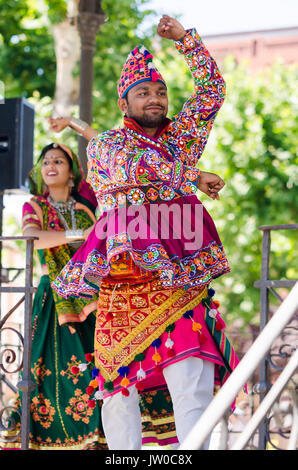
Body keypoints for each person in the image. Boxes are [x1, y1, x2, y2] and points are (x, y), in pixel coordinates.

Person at [49, 15, 240, 450]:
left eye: (160, 91)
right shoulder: (106, 144)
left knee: (190, 379)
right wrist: (192, 176)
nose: (154, 98)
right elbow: (131, 170)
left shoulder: (182, 139)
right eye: (143, 92)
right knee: (118, 390)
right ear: (124, 102)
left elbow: (212, 92)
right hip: (124, 280)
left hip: (179, 275)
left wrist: (186, 41)